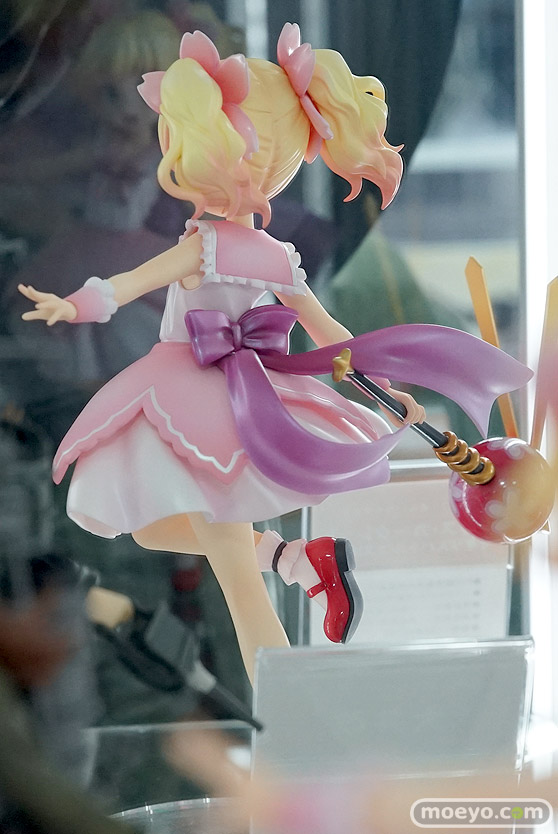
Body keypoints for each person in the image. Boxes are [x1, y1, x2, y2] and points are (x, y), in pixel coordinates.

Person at [18, 24, 531, 683]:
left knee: (234, 576)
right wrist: (384, 388)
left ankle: (286, 703)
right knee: (154, 529)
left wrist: (74, 305)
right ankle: (296, 561)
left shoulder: (208, 245)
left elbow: (128, 285)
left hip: (204, 404)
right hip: (229, 397)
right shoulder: (274, 256)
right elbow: (332, 335)